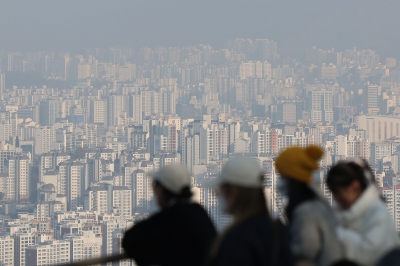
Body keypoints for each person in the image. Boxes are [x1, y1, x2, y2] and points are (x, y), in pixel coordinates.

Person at [122, 164, 217, 266]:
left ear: (161, 188)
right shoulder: (198, 211)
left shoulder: (171, 216)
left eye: (155, 185)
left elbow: (130, 240)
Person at [207, 156, 293, 266]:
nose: (219, 194)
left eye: (222, 189)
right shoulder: (280, 232)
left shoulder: (237, 240)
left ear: (234, 193)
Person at [275, 145, 344, 266]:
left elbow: (304, 254)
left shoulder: (306, 212)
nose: (279, 180)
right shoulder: (318, 203)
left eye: (282, 175)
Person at [327, 160, 400, 266]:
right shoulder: (339, 212)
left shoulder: (378, 214)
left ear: (354, 186)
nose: (336, 198)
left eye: (338, 192)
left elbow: (368, 256)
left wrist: (337, 235)